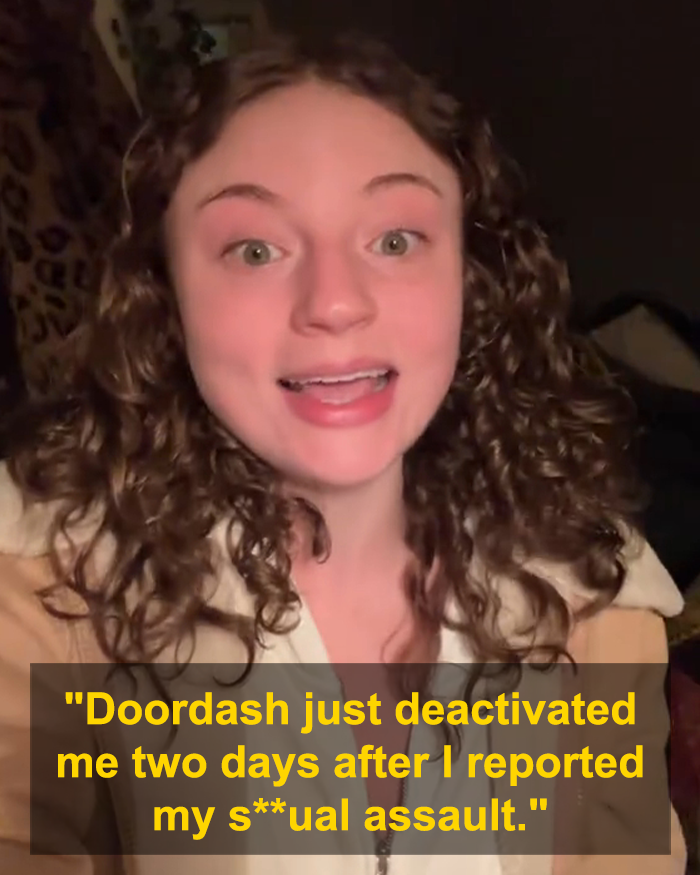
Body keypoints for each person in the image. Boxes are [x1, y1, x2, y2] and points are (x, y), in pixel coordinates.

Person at [0, 30, 686, 875]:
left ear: (469, 277)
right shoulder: (42, 584)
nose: (333, 303)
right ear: (166, 293)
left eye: (394, 240)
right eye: (255, 249)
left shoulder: (596, 590)